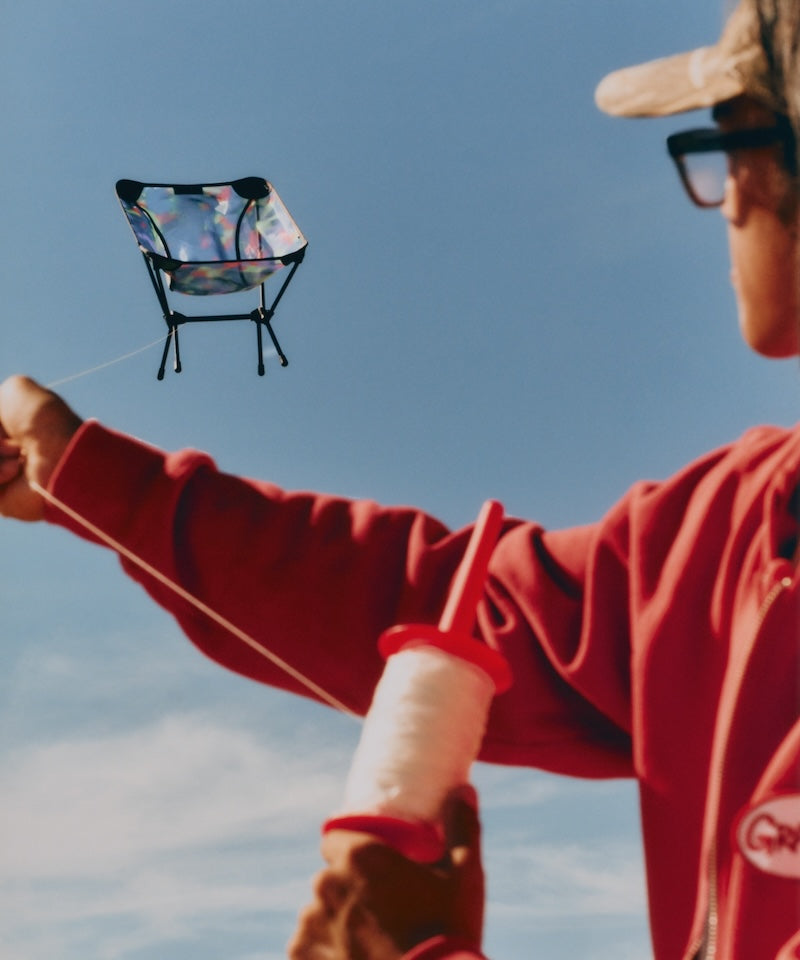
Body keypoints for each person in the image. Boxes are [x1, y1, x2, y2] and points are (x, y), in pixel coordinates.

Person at [1, 0, 799, 956]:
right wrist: (78, 472)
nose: (733, 194)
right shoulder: (734, 526)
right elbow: (431, 609)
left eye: (736, 137)